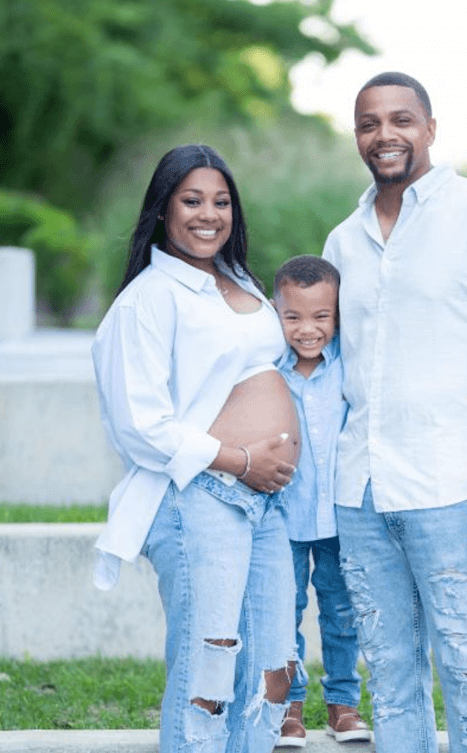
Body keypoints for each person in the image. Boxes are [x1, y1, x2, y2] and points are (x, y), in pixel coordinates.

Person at [322, 72, 467, 753]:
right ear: (357, 135)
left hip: (450, 488)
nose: (384, 135)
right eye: (369, 123)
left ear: (429, 127)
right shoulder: (344, 240)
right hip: (360, 492)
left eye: (400, 119)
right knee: (389, 678)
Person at [91, 144, 303, 753]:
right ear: (162, 210)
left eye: (221, 201)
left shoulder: (239, 283)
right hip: (200, 501)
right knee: (206, 676)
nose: (208, 214)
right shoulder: (147, 300)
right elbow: (141, 424)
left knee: (271, 671)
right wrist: (241, 460)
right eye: (191, 201)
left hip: (266, 504)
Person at [271, 256, 370, 748]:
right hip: (282, 517)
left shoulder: (349, 369)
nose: (307, 330)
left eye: (321, 317)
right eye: (294, 317)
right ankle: (288, 709)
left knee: (342, 612)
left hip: (338, 517)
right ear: (277, 313)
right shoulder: (268, 373)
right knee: (281, 613)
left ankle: (342, 705)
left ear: (338, 315)